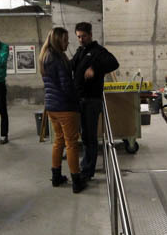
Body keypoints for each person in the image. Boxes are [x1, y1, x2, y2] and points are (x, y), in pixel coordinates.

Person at [39, 27, 86, 193]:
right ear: (58, 40)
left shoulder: (45, 56)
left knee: (59, 140)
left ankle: (56, 176)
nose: (68, 43)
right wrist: (77, 100)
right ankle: (76, 181)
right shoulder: (58, 59)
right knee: (71, 143)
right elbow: (66, 86)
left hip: (51, 106)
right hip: (65, 107)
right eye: (65, 40)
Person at [72, 22, 119, 180]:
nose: (81, 39)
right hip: (79, 99)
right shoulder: (80, 51)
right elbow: (72, 66)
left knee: (90, 137)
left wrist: (95, 69)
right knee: (84, 136)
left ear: (90, 35)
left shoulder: (98, 51)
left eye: (83, 36)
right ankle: (85, 165)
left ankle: (87, 171)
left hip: (92, 100)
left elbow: (114, 63)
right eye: (78, 36)